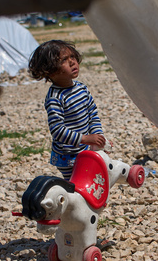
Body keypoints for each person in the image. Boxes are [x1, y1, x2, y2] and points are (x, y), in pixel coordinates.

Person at [28, 39, 106, 180]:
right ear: (50, 70)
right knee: (76, 184)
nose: (72, 62)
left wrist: (97, 135)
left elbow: (92, 114)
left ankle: (93, 201)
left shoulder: (81, 88)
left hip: (85, 147)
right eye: (64, 60)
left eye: (72, 57)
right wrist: (85, 138)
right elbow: (57, 130)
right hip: (68, 156)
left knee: (93, 177)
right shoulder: (55, 97)